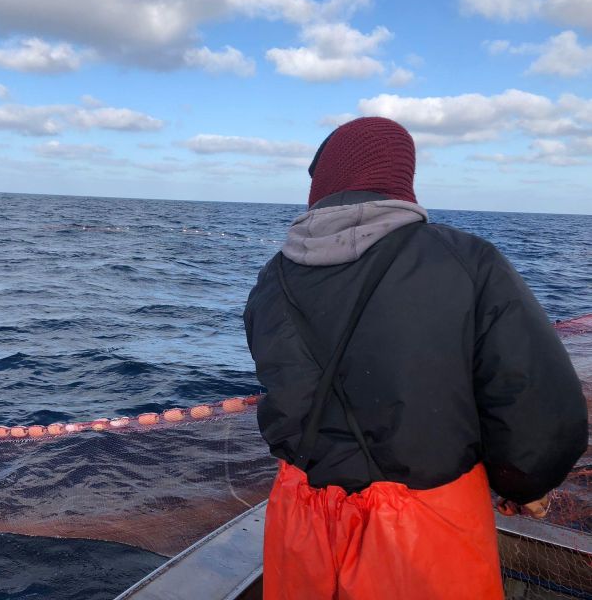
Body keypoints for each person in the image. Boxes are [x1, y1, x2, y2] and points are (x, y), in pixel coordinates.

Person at [242, 117, 588, 599]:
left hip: (300, 524)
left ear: (323, 184)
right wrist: (524, 484)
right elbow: (531, 397)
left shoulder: (271, 278)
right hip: (423, 536)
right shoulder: (467, 260)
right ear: (400, 180)